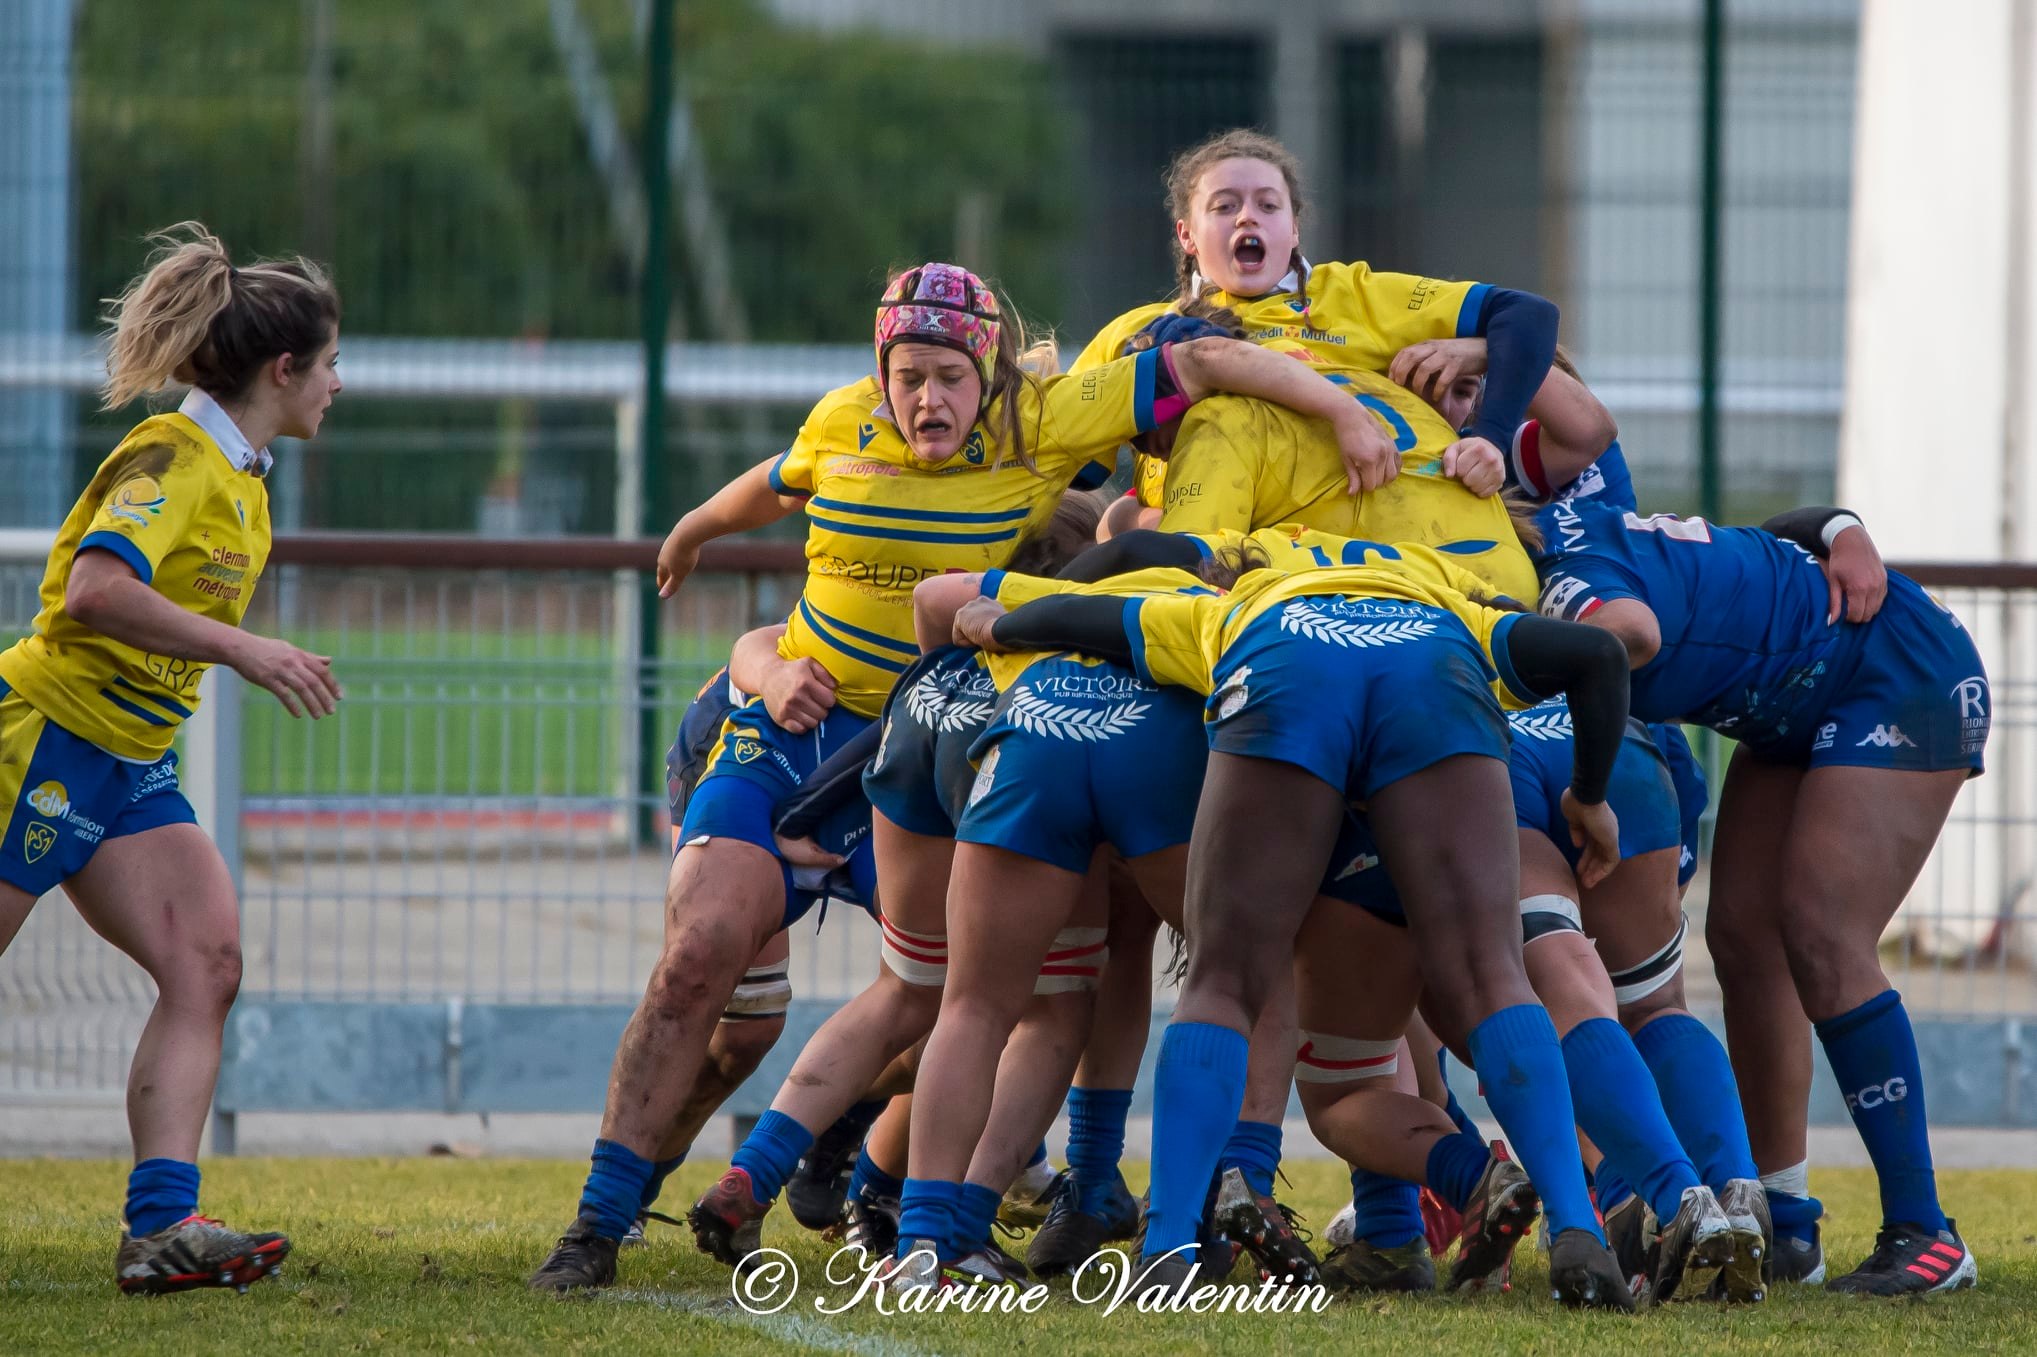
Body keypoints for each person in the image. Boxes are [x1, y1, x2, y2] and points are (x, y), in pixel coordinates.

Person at [528, 263, 1394, 1291]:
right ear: (878, 373)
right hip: (789, 735)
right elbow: (778, 479)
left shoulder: (1043, 426)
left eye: (949, 375)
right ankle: (599, 1222)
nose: (927, 398)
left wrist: (1344, 407)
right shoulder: (844, 420)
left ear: (988, 373)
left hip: (922, 746)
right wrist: (693, 532)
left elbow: (1204, 362)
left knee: (954, 995)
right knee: (706, 964)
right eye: (907, 376)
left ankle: (870, 1175)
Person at [931, 529, 1641, 1309]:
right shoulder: (1452, 606)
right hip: (1432, 667)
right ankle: (1578, 1226)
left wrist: (1000, 625)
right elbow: (1598, 657)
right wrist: (1587, 794)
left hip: (1278, 659)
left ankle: (1169, 1243)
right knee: (1492, 977)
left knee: (1224, 983)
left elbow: (1087, 615)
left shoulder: (1230, 605)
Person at [0, 223, 344, 1294]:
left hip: (130, 763)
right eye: (330, 362)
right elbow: (95, 589)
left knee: (208, 960)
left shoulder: (245, 474)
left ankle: (161, 1227)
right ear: (282, 370)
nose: (340, 381)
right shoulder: (172, 458)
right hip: (47, 741)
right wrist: (243, 647)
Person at [1535, 496, 1986, 1296]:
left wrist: (1841, 525)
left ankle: (1925, 1230)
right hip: (1791, 700)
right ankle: (1785, 1222)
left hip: (1894, 666)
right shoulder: (1552, 530)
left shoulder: (1560, 562)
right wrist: (1837, 529)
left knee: (1821, 938)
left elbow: (1628, 635)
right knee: (1742, 940)